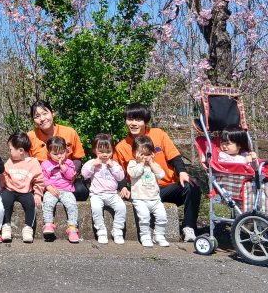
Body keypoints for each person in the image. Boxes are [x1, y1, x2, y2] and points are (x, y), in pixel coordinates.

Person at [115, 103, 201, 242]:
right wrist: (123, 186)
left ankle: (189, 227)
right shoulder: (121, 146)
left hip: (167, 188)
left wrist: (182, 172)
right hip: (142, 193)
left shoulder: (158, 134)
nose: (134, 123)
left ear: (146, 121)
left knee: (193, 185)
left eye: (138, 120)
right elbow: (119, 172)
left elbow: (174, 156)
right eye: (130, 119)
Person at [27, 100, 87, 200]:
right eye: (37, 116)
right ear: (33, 120)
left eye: (45, 113)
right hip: (42, 180)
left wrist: (72, 174)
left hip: (66, 178)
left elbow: (77, 158)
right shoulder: (29, 137)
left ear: (52, 113)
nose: (42, 119)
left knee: (81, 191)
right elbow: (27, 164)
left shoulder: (70, 132)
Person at [81, 134, 126, 244]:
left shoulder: (114, 164)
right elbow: (84, 175)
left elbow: (121, 177)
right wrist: (93, 165)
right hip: (97, 195)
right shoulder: (91, 163)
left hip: (112, 194)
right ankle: (101, 231)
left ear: (112, 151)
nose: (105, 154)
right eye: (101, 151)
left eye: (108, 151)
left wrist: (113, 167)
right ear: (94, 150)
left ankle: (117, 230)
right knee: (96, 209)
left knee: (121, 207)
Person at [0, 132, 44, 243]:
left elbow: (39, 180)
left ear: (20, 151)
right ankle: (6, 226)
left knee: (30, 204)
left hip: (26, 191)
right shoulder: (10, 162)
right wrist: (0, 188)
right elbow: (3, 175)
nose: (9, 152)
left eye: (10, 149)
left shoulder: (34, 163)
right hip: (10, 189)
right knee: (5, 200)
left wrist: (38, 195)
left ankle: (28, 228)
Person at [127, 136, 170, 247]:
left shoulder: (153, 165)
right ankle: (145, 236)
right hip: (140, 198)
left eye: (148, 154)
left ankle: (159, 235)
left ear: (152, 153)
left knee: (162, 216)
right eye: (142, 154)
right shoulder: (133, 164)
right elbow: (133, 174)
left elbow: (161, 175)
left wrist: (151, 163)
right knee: (144, 216)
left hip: (155, 198)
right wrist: (141, 163)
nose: (145, 157)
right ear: (134, 153)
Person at [41, 136, 80, 243]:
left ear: (65, 151)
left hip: (66, 190)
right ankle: (48, 224)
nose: (59, 156)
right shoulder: (45, 164)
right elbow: (43, 178)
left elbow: (71, 177)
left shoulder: (69, 163)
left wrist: (64, 169)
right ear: (49, 153)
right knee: (47, 202)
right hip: (51, 190)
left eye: (62, 153)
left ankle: (72, 229)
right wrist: (48, 187)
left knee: (72, 205)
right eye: (55, 153)